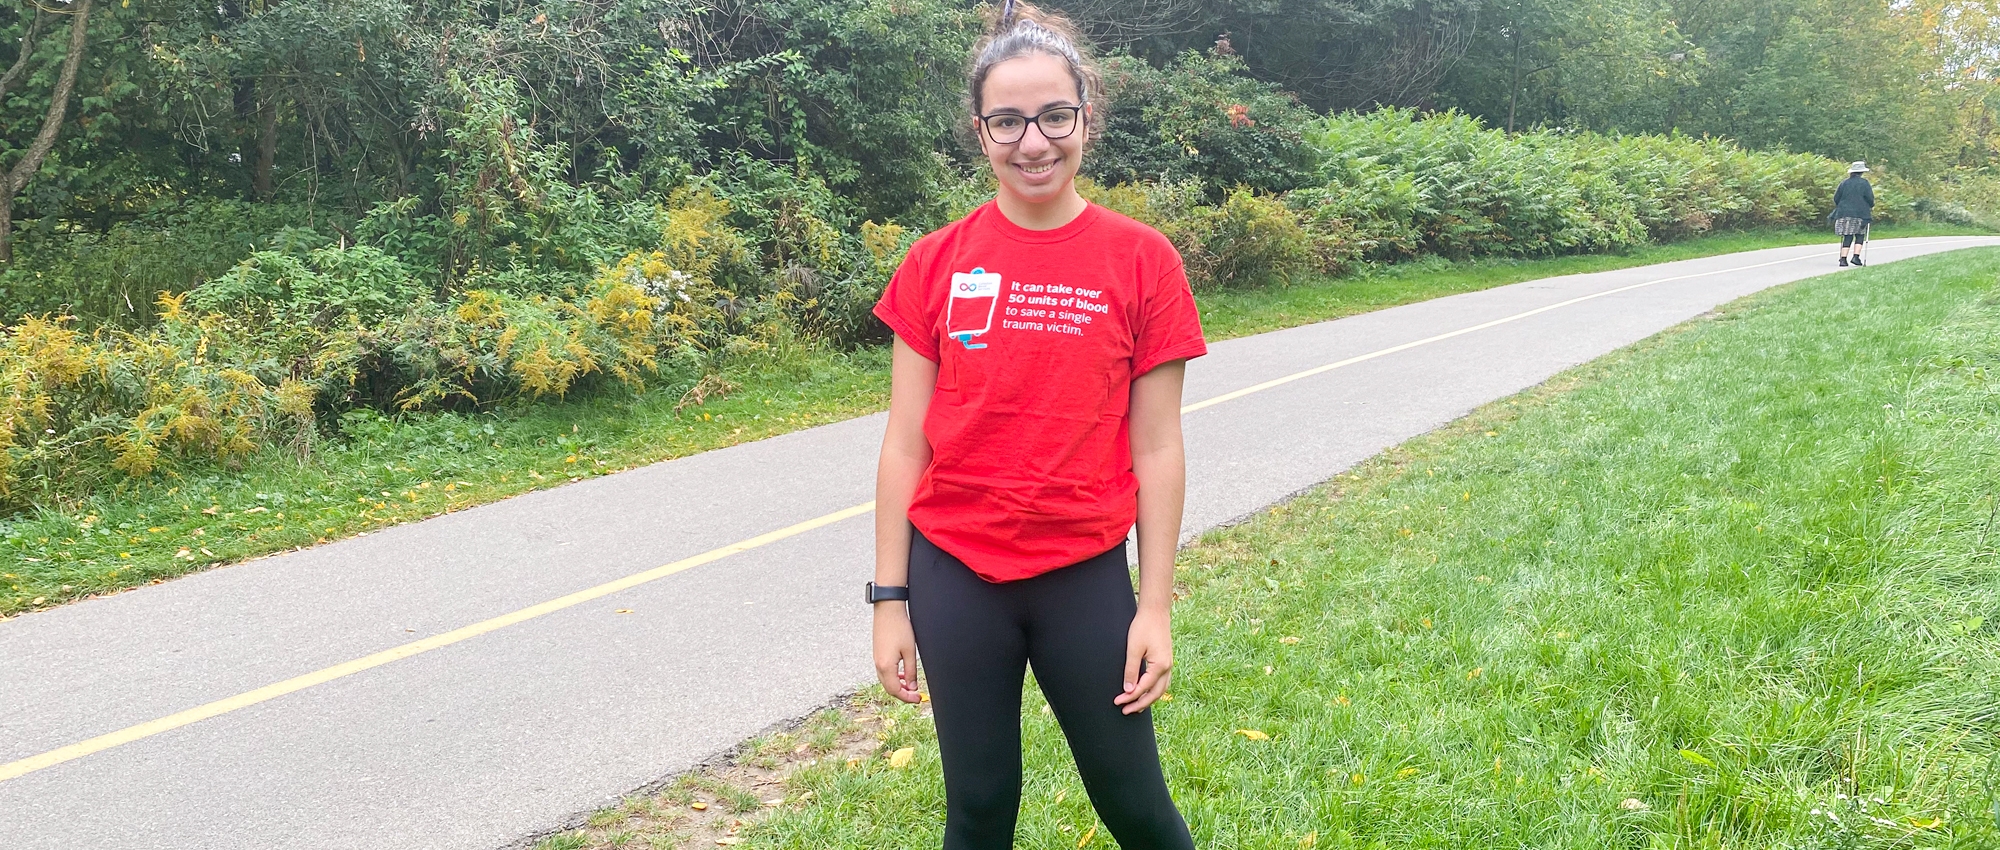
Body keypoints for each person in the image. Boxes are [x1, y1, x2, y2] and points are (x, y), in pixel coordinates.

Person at [866, 2, 1205, 848]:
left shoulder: (1142, 260)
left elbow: (1158, 446)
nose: (1034, 142)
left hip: (1082, 575)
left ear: (1086, 116)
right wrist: (889, 601)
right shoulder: (936, 261)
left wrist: (1154, 607)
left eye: (1054, 116)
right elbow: (905, 442)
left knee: (1136, 805)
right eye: (1008, 121)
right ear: (980, 131)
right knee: (978, 809)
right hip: (955, 574)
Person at [1831, 161, 1875, 267]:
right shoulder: (1864, 183)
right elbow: (1870, 198)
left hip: (1844, 212)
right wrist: (1870, 205)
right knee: (1859, 235)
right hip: (1861, 213)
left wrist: (1842, 206)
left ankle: (1843, 259)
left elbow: (1836, 198)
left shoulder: (1844, 183)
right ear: (1861, 172)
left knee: (1847, 235)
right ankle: (1856, 257)